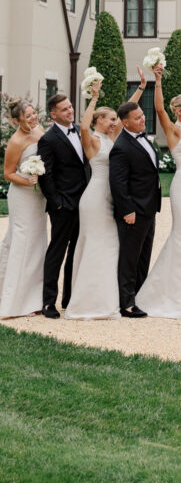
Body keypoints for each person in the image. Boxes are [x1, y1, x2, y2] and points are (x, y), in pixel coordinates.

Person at [66, 70, 146, 319]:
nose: (115, 123)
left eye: (115, 120)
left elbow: (127, 115)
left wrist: (142, 87)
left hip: (113, 198)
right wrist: (93, 98)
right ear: (99, 120)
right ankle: (88, 300)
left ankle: (108, 297)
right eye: (110, 119)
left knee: (111, 247)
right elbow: (83, 126)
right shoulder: (92, 141)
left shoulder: (114, 138)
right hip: (95, 198)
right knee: (97, 244)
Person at [136, 67, 181, 318]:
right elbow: (159, 110)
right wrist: (158, 80)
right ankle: (173, 294)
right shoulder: (174, 130)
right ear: (179, 111)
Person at [37, 92, 91, 317]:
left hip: (85, 202)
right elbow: (45, 175)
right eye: (64, 109)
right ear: (53, 114)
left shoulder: (79, 130)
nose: (70, 111)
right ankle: (48, 301)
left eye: (70, 107)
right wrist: (57, 203)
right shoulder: (48, 140)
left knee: (76, 251)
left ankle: (69, 298)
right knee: (57, 251)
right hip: (63, 205)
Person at [108, 101, 162, 317]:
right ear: (125, 122)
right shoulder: (121, 147)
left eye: (142, 115)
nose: (143, 119)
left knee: (143, 256)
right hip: (134, 210)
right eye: (138, 118)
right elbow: (118, 183)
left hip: (149, 206)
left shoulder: (143, 137)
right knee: (129, 257)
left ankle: (138, 294)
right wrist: (127, 210)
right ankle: (126, 303)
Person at [0, 100, 47, 318]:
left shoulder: (39, 129)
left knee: (37, 243)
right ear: (16, 120)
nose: (33, 118)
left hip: (38, 196)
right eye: (27, 116)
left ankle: (34, 298)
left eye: (33, 114)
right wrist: (26, 181)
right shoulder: (16, 141)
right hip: (23, 195)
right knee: (22, 242)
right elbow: (8, 173)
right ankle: (15, 302)